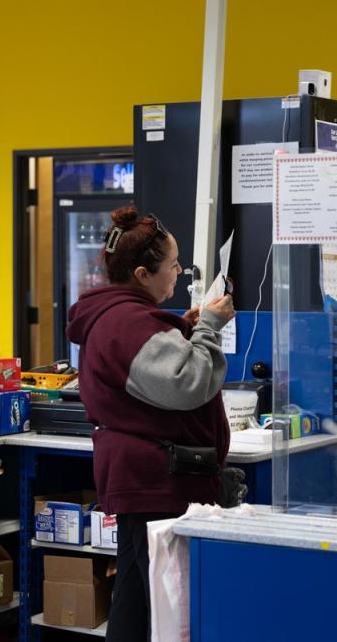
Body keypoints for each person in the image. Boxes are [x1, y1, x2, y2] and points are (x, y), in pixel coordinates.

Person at [66, 205, 235, 642]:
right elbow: (187, 381)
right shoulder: (127, 322)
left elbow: (146, 373)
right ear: (142, 274)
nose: (178, 273)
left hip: (144, 480)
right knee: (166, 605)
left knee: (137, 600)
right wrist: (210, 327)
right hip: (156, 483)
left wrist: (184, 327)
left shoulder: (122, 318)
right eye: (173, 265)